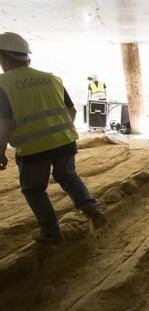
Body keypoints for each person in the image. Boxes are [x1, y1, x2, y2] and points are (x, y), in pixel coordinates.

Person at [0, 32, 106, 243]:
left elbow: (2, 123)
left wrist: (0, 151)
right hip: (65, 142)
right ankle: (92, 209)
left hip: (33, 149)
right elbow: (72, 111)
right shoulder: (52, 79)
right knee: (68, 177)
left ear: (2, 58)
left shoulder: (3, 84)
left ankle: (51, 232)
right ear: (27, 58)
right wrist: (60, 132)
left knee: (34, 190)